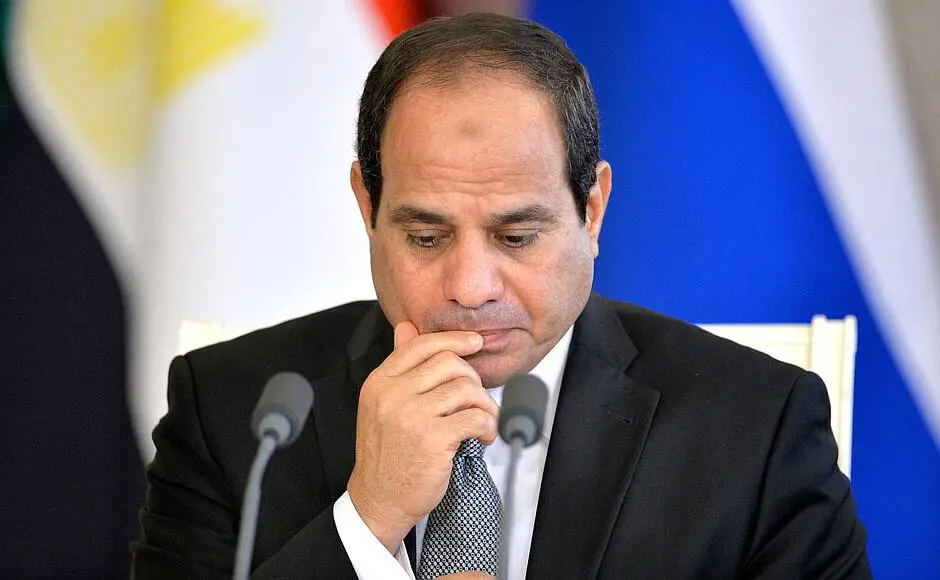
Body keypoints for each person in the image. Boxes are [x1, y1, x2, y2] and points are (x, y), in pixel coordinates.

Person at [131, 12, 871, 579]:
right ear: (367, 208)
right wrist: (367, 519)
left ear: (592, 210)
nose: (471, 288)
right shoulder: (237, 413)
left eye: (517, 237)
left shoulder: (756, 426)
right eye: (426, 237)